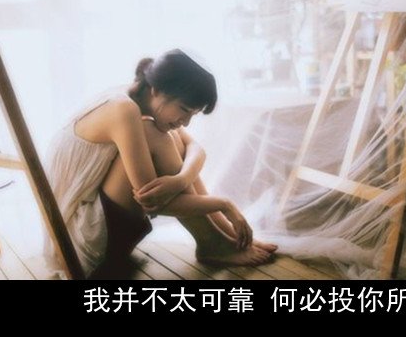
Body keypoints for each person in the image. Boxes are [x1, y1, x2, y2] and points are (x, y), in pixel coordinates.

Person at [44, 48, 277, 279]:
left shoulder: (138, 98)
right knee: (157, 134)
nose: (186, 121)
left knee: (171, 135)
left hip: (104, 225)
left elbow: (196, 148)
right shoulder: (124, 109)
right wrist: (224, 204)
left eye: (193, 114)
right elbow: (153, 202)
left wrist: (181, 180)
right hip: (80, 245)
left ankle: (226, 235)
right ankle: (212, 243)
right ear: (156, 90)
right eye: (184, 109)